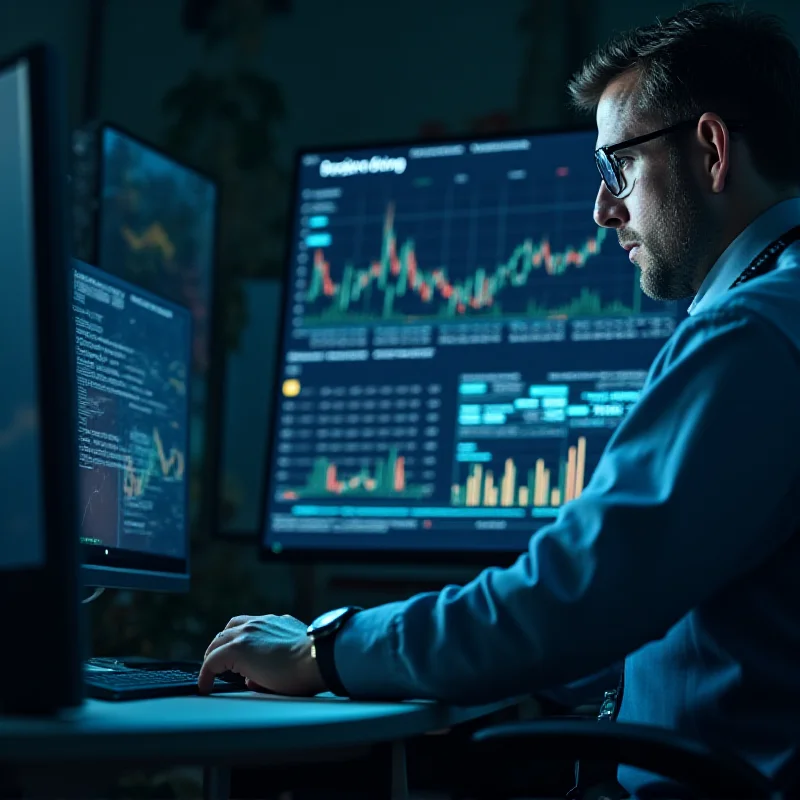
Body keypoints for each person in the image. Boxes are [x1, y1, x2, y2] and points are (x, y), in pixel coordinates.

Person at [199, 3, 800, 796]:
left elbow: (574, 598)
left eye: (617, 166)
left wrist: (325, 649)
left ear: (712, 149)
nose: (602, 209)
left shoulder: (753, 334)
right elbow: (686, 624)